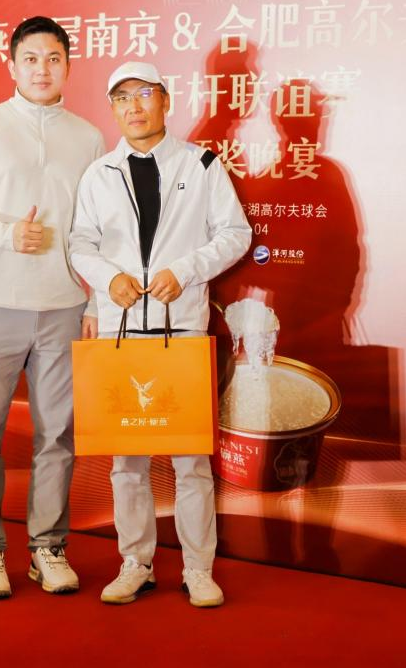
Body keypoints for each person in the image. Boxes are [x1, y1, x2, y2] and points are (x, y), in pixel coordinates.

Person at [69, 61, 252, 608]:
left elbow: (235, 233)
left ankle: (198, 568)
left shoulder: (200, 164)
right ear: (113, 108)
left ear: (165, 101)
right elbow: (81, 244)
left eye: (144, 94)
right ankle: (136, 563)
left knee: (190, 459)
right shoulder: (99, 173)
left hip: (182, 327)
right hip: (121, 330)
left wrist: (186, 270)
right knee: (127, 461)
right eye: (122, 97)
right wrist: (109, 280)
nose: (134, 106)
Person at [0, 16, 104, 600]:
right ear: (11, 65)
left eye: (53, 58)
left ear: (68, 66)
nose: (42, 69)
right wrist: (8, 234)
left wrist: (95, 299)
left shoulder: (89, 137)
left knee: (57, 434)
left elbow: (99, 229)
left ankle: (48, 548)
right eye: (31, 59)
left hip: (63, 306)